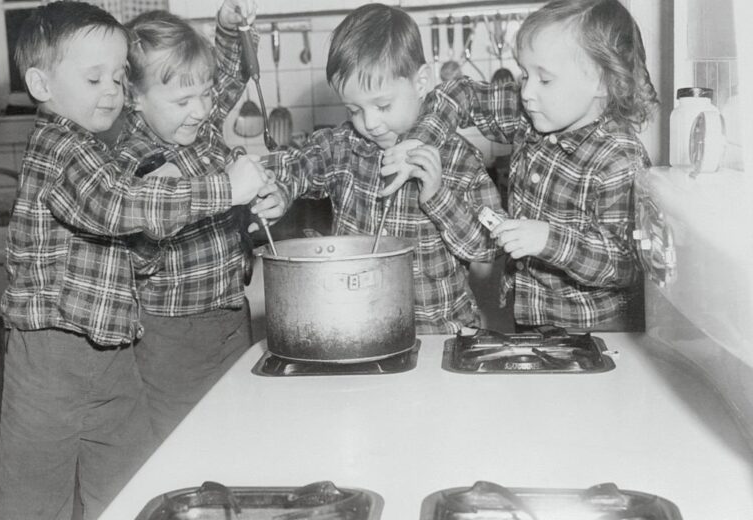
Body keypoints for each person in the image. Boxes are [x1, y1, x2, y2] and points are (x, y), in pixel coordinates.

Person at [0, 2, 270, 519]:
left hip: (114, 354)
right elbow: (115, 203)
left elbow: (207, 90)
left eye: (119, 78)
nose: (111, 91)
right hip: (51, 359)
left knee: (133, 490)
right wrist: (224, 188)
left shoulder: (95, 145)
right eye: (94, 78)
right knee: (34, 503)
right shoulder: (60, 147)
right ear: (40, 84)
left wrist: (228, 35)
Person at [384, 0, 657, 332]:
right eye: (525, 75)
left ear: (602, 82)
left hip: (598, 332)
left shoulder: (620, 158)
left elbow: (626, 263)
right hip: (529, 319)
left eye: (545, 80)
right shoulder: (529, 115)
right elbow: (459, 93)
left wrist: (549, 240)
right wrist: (420, 140)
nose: (526, 92)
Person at [259, 3, 502, 334]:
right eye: (354, 109)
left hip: (439, 333)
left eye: (383, 105)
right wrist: (278, 189)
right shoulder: (342, 147)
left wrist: (437, 196)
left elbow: (487, 249)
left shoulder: (459, 159)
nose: (370, 123)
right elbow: (298, 164)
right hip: (359, 330)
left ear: (421, 82)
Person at [117, 1, 265, 445]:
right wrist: (165, 210)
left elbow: (228, 75)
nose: (201, 109)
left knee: (239, 432)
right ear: (133, 96)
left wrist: (227, 29)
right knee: (184, 442)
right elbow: (139, 256)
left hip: (231, 314)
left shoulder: (194, 127)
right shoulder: (134, 160)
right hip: (173, 335)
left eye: (205, 94)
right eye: (183, 100)